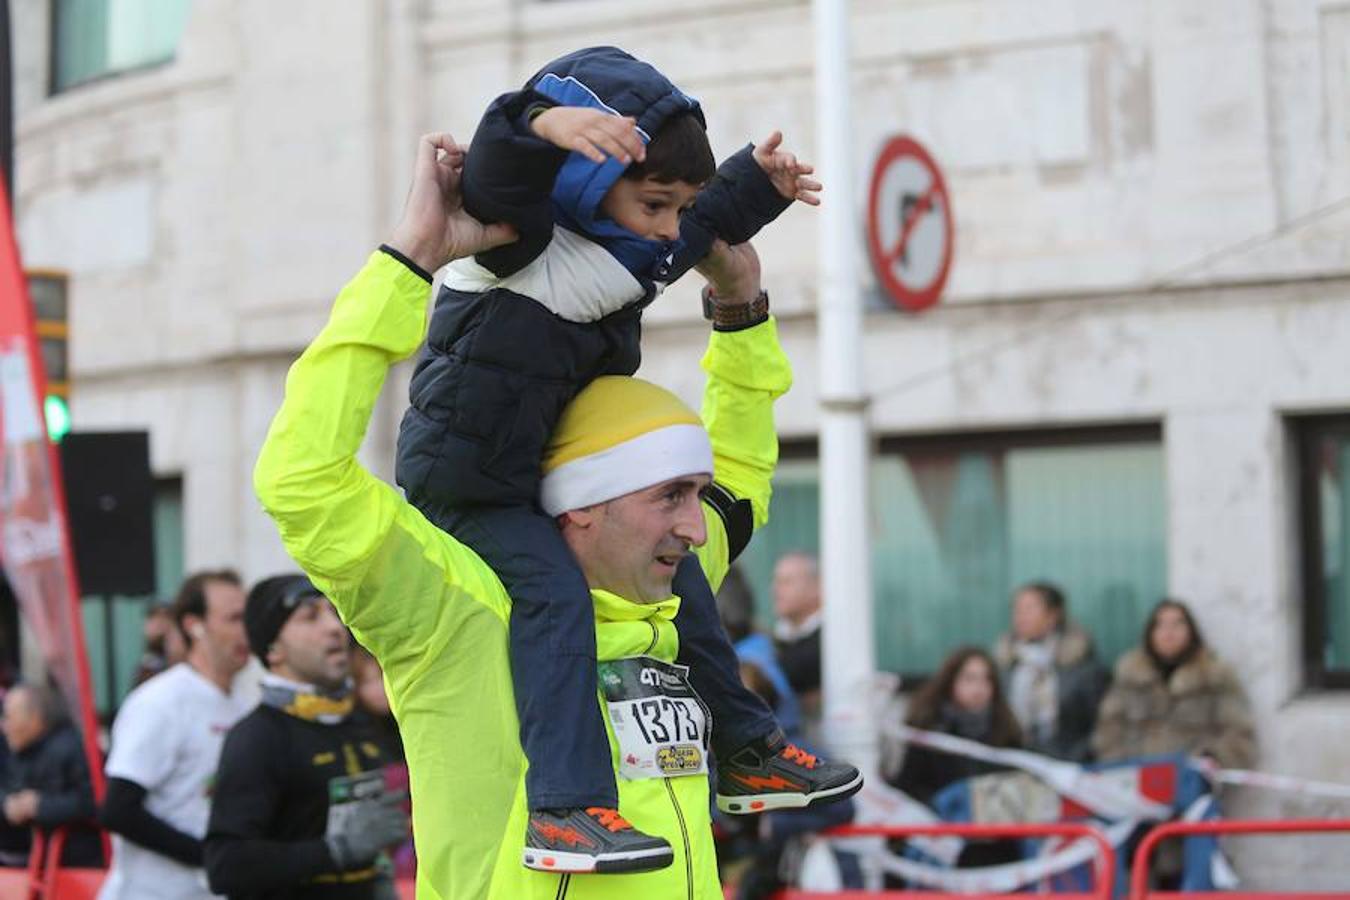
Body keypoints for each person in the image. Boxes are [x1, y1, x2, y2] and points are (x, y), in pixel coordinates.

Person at [253, 131, 858, 898]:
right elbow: (300, 478)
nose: (698, 527)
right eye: (668, 496)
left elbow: (743, 476)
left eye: (692, 496)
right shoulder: (457, 608)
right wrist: (408, 260)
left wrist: (740, 309)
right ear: (580, 508)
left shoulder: (674, 586)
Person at [392, 45, 845, 871]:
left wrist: (759, 182)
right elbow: (497, 166)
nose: (671, 228)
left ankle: (745, 747)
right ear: (587, 182)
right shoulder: (516, 239)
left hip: (539, 469)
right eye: (655, 205)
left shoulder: (646, 237)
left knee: (690, 592)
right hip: (469, 487)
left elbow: (706, 220)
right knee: (555, 597)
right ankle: (564, 808)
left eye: (679, 207)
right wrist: (542, 122)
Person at [204, 575, 406, 899]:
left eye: (334, 612)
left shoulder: (361, 719)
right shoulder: (257, 737)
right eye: (310, 616)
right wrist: (334, 851)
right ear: (273, 650)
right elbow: (225, 866)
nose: (334, 628)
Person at [99, 570, 254, 900]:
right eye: (233, 618)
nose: (246, 631)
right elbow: (117, 809)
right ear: (193, 625)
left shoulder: (244, 709)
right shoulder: (161, 701)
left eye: (248, 617)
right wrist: (206, 855)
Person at [887, 647, 1022, 871]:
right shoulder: (927, 734)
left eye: (986, 680)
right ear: (951, 682)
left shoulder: (1007, 732)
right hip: (943, 849)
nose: (978, 688)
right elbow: (909, 787)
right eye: (969, 679)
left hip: (998, 851)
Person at [1092, 599, 1256, 768]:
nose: (1169, 633)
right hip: (1136, 782)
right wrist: (1118, 766)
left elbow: (1239, 732)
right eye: (1161, 625)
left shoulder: (1215, 676)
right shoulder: (1129, 675)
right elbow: (1109, 729)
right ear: (1150, 632)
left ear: (1191, 631)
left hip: (1192, 783)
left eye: (1177, 624)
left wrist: (1211, 760)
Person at [992, 581, 1108, 762]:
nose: (1020, 616)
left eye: (1029, 609)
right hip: (1013, 764)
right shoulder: (1004, 663)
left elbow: (1100, 724)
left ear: (1053, 615)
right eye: (1017, 609)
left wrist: (1075, 759)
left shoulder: (1082, 665)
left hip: (1069, 767)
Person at [0, 683, 101, 866]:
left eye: (9, 717)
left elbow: (93, 800)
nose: (4, 726)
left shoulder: (72, 749)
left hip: (77, 866)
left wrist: (39, 806)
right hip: (34, 862)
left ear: (35, 718)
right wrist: (10, 805)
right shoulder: (23, 750)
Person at [771, 551, 822, 707]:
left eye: (786, 582)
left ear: (817, 587)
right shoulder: (776, 638)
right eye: (776, 581)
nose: (775, 589)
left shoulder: (833, 639)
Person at [132, 602, 187, 687]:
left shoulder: (182, 661)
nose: (158, 623)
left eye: (164, 617)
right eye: (152, 618)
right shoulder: (146, 667)